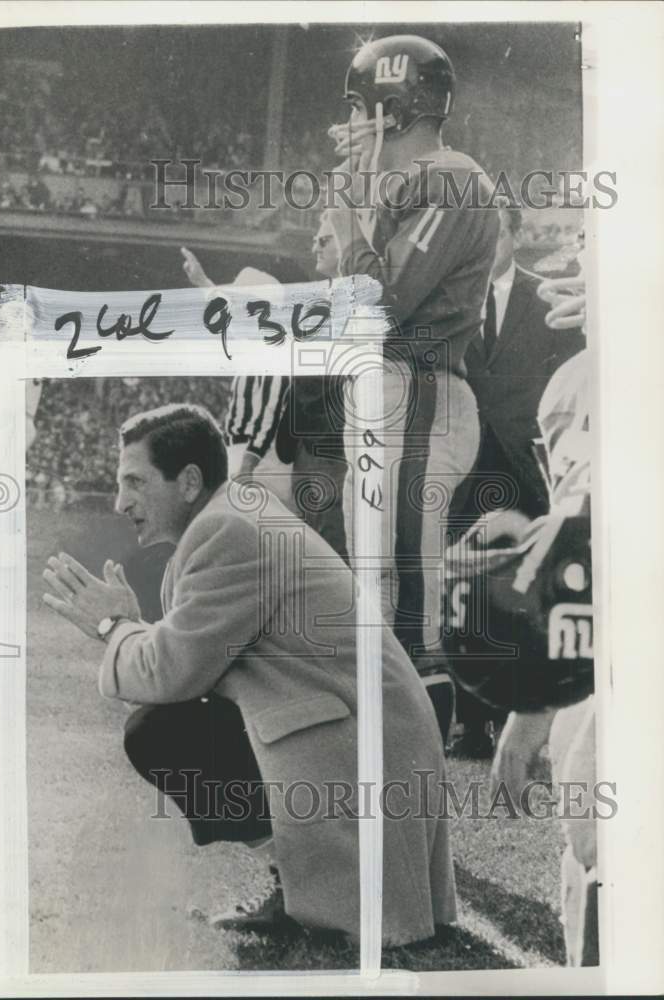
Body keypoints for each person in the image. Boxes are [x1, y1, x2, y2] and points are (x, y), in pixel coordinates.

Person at [41, 403, 456, 944]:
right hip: (362, 739)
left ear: (189, 481)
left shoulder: (227, 531)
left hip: (361, 752)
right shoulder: (231, 516)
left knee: (159, 733)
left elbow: (169, 675)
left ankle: (307, 891)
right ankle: (295, 884)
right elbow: (186, 666)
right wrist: (130, 626)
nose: (121, 502)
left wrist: (110, 624)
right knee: (167, 722)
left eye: (135, 482)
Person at [327, 35, 499, 740]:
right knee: (376, 583)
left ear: (395, 111)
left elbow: (383, 299)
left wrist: (345, 215)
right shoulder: (413, 182)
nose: (352, 123)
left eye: (365, 108)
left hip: (420, 392)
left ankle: (411, 763)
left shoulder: (451, 177)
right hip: (393, 390)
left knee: (402, 589)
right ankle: (383, 753)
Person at [452, 204, 586, 756]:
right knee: (470, 590)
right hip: (467, 466)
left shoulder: (552, 297)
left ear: (515, 234)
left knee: (531, 594)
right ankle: (471, 723)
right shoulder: (451, 297)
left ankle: (531, 717)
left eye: (493, 230)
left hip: (529, 467)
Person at [180, 248, 293, 506]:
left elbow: (269, 412)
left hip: (262, 463)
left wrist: (247, 466)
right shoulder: (257, 337)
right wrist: (202, 282)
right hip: (249, 457)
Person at [274, 211, 350, 561]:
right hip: (308, 452)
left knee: (328, 559)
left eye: (324, 240)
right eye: (315, 240)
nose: (315, 246)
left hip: (333, 454)